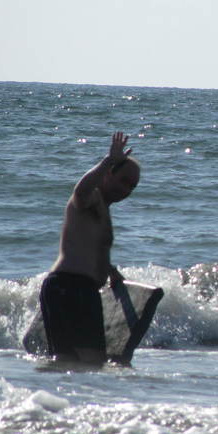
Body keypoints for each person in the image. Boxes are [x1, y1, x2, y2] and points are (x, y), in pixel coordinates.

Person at [38, 132, 140, 363]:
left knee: (68, 365)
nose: (126, 189)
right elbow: (80, 191)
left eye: (132, 187)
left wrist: (110, 271)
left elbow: (91, 247)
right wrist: (108, 160)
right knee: (92, 362)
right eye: (123, 180)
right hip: (71, 288)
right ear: (108, 175)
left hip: (71, 289)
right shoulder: (92, 197)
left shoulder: (103, 208)